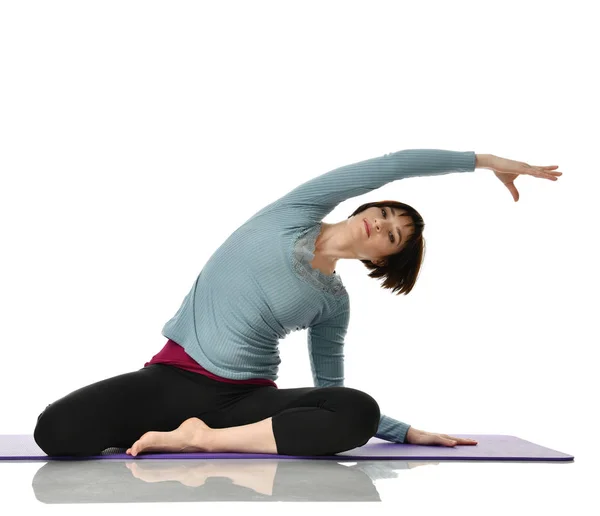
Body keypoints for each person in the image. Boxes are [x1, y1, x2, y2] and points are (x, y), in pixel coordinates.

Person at [33, 149, 562, 458]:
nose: (381, 222)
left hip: (242, 402)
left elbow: (330, 388)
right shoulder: (292, 212)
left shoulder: (333, 303)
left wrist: (402, 432)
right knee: (55, 433)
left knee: (356, 409)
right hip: (171, 379)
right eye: (385, 213)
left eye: (394, 235)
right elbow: (395, 164)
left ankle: (205, 440)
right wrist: (485, 161)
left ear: (382, 260)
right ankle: (177, 434)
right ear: (366, 207)